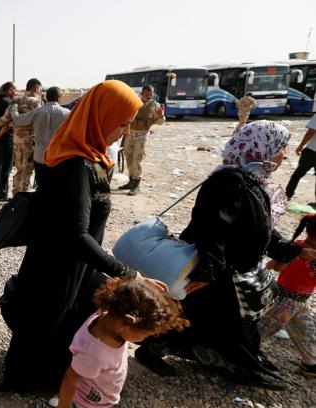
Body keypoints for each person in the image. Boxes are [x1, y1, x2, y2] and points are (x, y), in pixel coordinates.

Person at [2, 80, 167, 393]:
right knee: (50, 321)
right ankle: (38, 382)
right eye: (122, 124)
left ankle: (48, 376)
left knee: (61, 320)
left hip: (69, 262)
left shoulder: (87, 155)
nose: (126, 132)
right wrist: (131, 274)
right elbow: (77, 235)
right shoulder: (78, 165)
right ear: (101, 117)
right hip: (61, 265)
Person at [134, 121, 314, 390]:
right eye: (280, 148)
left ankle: (235, 363)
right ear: (260, 147)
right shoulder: (227, 181)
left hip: (231, 270)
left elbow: (261, 229)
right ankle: (236, 365)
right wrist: (209, 271)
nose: (284, 154)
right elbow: (211, 228)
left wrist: (295, 250)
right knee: (216, 318)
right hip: (220, 270)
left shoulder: (252, 180)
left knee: (205, 317)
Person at [57, 277, 188, 408]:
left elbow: (124, 296)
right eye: (146, 334)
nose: (145, 339)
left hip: (102, 392)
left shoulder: (110, 313)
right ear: (126, 325)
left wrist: (142, 286)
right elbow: (70, 380)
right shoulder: (94, 355)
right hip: (88, 404)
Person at [258, 214, 316, 378]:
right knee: (262, 330)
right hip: (283, 302)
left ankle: (311, 364)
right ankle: (243, 351)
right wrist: (295, 254)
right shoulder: (296, 247)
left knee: (306, 332)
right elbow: (277, 266)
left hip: (301, 303)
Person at [12, 86, 70, 186]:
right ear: (59, 97)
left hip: (40, 157)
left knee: (42, 186)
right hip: (58, 157)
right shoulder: (67, 113)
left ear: (47, 97)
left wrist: (14, 109)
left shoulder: (37, 112)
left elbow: (18, 121)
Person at [118, 85, 165, 196]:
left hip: (142, 134)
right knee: (128, 157)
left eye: (151, 94)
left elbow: (160, 122)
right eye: (146, 94)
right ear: (142, 93)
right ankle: (131, 181)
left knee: (137, 159)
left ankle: (136, 184)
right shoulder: (135, 102)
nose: (149, 96)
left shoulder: (155, 105)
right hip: (130, 133)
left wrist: (160, 116)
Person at [9, 78, 43, 196]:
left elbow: (7, 117)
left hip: (17, 139)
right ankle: (23, 194)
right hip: (29, 139)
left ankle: (16, 193)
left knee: (19, 168)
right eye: (40, 88)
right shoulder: (35, 101)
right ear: (36, 88)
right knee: (27, 168)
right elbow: (39, 118)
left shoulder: (16, 100)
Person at [285, 113, 316, 202]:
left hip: (312, 151)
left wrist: (301, 145)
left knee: (297, 174)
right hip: (312, 151)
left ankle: (288, 195)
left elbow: (311, 131)